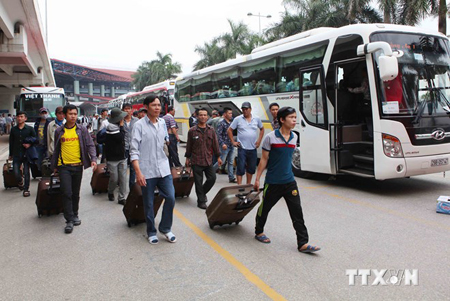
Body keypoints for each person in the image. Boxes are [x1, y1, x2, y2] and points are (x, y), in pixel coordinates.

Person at [253, 106, 321, 253]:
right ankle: (259, 231)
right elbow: (264, 160)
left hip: (290, 181)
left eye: (295, 117)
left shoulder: (294, 137)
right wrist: (257, 179)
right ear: (282, 120)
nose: (294, 120)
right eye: (291, 117)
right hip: (273, 182)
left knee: (297, 212)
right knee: (265, 209)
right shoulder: (270, 137)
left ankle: (303, 243)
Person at [130, 95, 177, 245]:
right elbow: (134, 150)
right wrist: (138, 172)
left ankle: (165, 228)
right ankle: (151, 231)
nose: (157, 108)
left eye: (158, 105)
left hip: (163, 168)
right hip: (147, 170)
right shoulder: (139, 125)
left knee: (170, 197)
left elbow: (165, 143)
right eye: (153, 105)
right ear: (146, 107)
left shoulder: (163, 123)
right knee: (149, 203)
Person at [51, 104, 97, 234]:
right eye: (70, 114)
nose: (73, 116)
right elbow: (56, 149)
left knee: (75, 193)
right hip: (63, 166)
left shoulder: (81, 130)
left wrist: (93, 159)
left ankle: (75, 214)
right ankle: (69, 220)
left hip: (78, 166)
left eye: (75, 114)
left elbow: (90, 144)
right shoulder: (59, 131)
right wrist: (54, 166)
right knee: (67, 193)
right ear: (65, 115)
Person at [185, 108, 222, 209]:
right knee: (198, 182)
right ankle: (201, 201)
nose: (203, 117)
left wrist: (218, 156)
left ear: (208, 117)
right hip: (196, 160)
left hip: (208, 159)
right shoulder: (192, 131)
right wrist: (187, 158)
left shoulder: (211, 130)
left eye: (205, 115)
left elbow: (215, 145)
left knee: (212, 178)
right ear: (197, 116)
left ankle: (202, 193)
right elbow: (189, 145)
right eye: (201, 115)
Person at [227, 102, 264, 185]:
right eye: (243, 109)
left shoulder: (256, 119)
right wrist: (233, 141)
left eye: (246, 109)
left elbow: (262, 129)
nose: (245, 111)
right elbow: (229, 130)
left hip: (252, 148)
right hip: (242, 148)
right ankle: (239, 186)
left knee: (251, 168)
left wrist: (259, 141)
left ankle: (248, 185)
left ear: (250, 109)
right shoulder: (238, 119)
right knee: (240, 168)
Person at [8, 111, 36, 197]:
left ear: (25, 118)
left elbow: (35, 139)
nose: (19, 118)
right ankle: (20, 181)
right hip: (17, 153)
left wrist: (30, 144)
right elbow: (11, 142)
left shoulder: (30, 129)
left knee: (27, 172)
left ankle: (26, 189)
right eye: (18, 117)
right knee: (16, 172)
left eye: (21, 116)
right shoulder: (13, 129)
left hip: (27, 154)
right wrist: (10, 154)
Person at [105, 107, 128, 205]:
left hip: (122, 157)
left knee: (123, 179)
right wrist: (122, 127)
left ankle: (121, 197)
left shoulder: (120, 125)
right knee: (114, 178)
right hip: (112, 157)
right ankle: (110, 191)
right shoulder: (111, 126)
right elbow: (120, 138)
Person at [216, 107, 236, 183]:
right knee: (221, 161)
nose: (231, 115)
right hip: (225, 146)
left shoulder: (231, 123)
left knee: (230, 162)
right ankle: (210, 172)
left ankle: (231, 178)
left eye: (231, 113)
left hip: (231, 145)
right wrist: (222, 144)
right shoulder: (221, 123)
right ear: (225, 114)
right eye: (229, 113)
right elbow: (219, 135)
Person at [122, 103, 138, 190]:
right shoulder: (120, 121)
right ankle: (123, 190)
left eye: (129, 109)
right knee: (123, 170)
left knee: (133, 170)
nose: (127, 111)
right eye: (125, 109)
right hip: (123, 148)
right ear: (123, 110)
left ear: (132, 110)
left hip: (133, 149)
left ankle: (132, 189)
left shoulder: (136, 121)